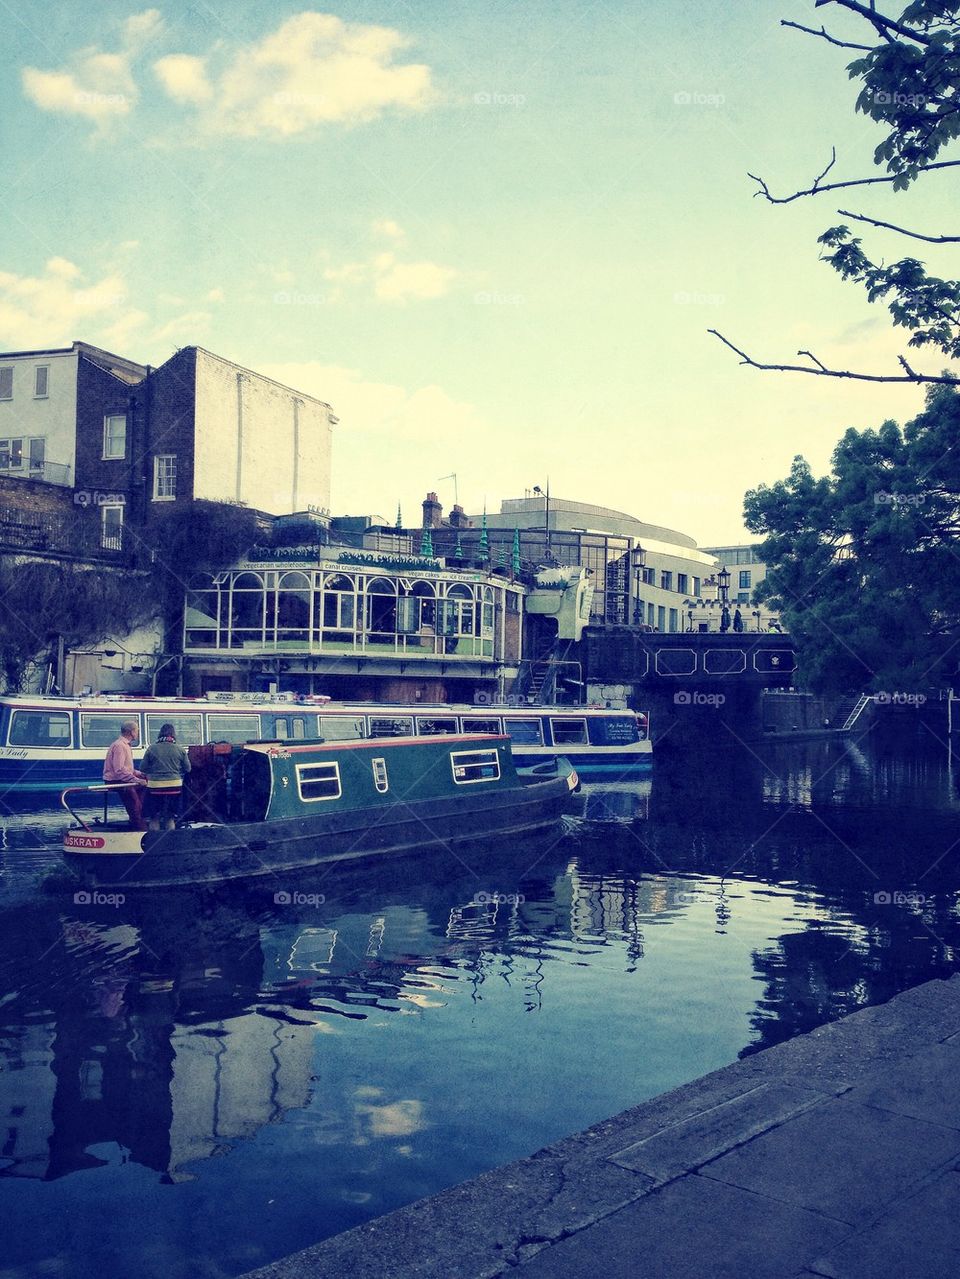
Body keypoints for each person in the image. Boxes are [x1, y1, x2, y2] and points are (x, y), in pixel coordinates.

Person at [140, 722, 191, 831]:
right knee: (170, 817)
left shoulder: (151, 749)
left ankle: (154, 842)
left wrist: (154, 771)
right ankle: (170, 842)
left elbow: (142, 769)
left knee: (154, 817)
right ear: (173, 734)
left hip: (155, 788)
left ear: (160, 734)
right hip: (174, 787)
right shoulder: (180, 749)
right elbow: (188, 769)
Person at [103, 720, 146, 831]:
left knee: (146, 784)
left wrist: (141, 774)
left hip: (122, 778)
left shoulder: (124, 745)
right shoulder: (120, 746)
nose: (137, 733)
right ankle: (140, 828)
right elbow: (119, 770)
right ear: (131, 732)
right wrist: (137, 780)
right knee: (134, 804)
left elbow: (127, 769)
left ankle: (139, 817)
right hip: (116, 781)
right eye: (136, 730)